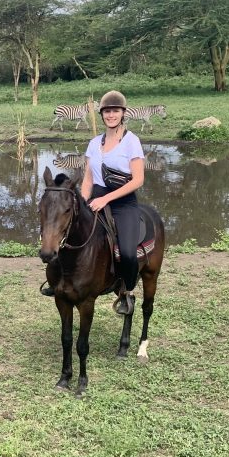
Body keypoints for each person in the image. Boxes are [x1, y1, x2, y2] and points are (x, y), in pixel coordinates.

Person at [82, 90, 145, 316]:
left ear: (123, 113)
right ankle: (61, 282)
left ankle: (126, 292)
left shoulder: (131, 141)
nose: (111, 115)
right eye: (107, 111)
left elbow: (138, 179)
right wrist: (82, 202)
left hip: (122, 202)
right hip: (95, 198)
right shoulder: (93, 143)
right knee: (67, 235)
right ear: (102, 114)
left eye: (115, 111)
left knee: (128, 252)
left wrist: (106, 199)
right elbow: (88, 178)